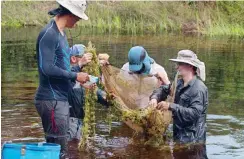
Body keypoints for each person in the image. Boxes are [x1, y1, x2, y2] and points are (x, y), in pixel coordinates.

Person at [34, 1, 89, 158]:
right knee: (57, 150)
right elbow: (47, 68)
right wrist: (75, 75)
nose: (77, 22)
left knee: (60, 150)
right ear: (70, 14)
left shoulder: (62, 34)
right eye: (77, 18)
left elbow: (62, 70)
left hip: (60, 100)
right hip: (51, 101)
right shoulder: (49, 34)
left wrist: (78, 67)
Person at [149, 50, 208, 144]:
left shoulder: (198, 89)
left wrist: (170, 106)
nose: (177, 67)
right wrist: (154, 98)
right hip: (178, 136)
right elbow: (163, 89)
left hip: (193, 141)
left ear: (190, 66)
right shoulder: (179, 83)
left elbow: (194, 113)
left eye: (180, 64)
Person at [67, 44, 108, 141]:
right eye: (86, 58)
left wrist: (108, 98)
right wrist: (80, 64)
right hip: (67, 121)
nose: (89, 62)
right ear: (73, 59)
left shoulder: (86, 76)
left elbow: (96, 92)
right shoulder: (65, 73)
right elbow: (65, 81)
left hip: (81, 123)